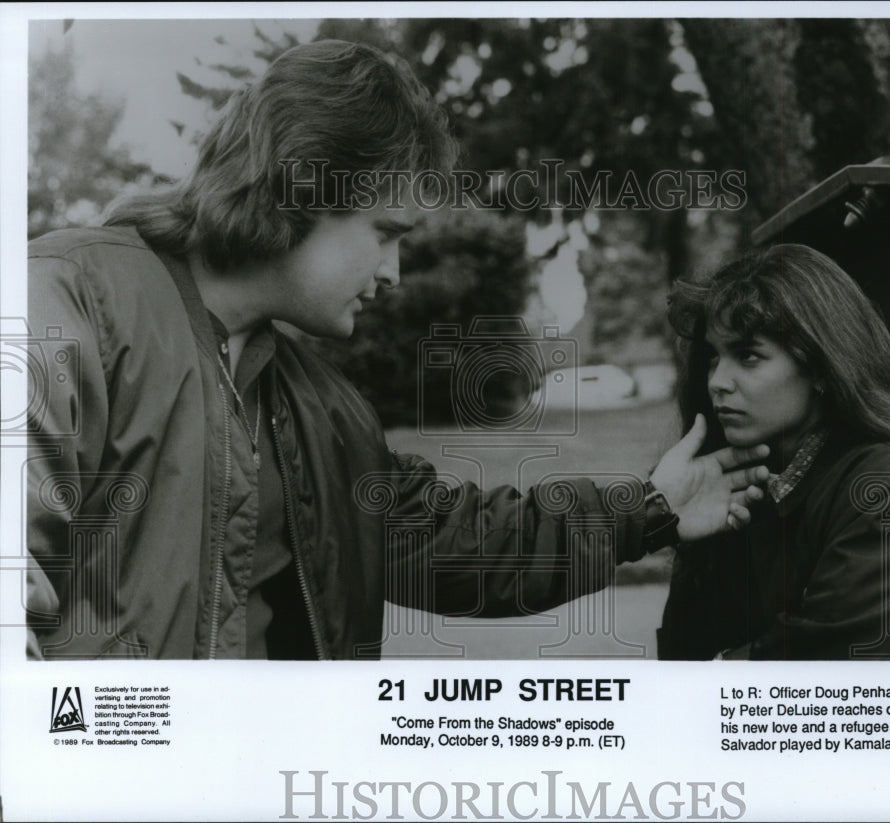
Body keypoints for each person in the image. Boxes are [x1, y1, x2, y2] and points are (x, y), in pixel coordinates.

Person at [25, 39, 769, 660]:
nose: (393, 272)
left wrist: (650, 508)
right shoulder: (73, 298)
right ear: (301, 188)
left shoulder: (324, 412)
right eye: (386, 232)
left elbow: (460, 544)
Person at [657, 244, 890, 660]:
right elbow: (682, 652)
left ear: (821, 367)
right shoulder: (732, 484)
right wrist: (663, 515)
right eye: (713, 357)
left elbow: (836, 667)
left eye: (748, 355)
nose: (717, 380)